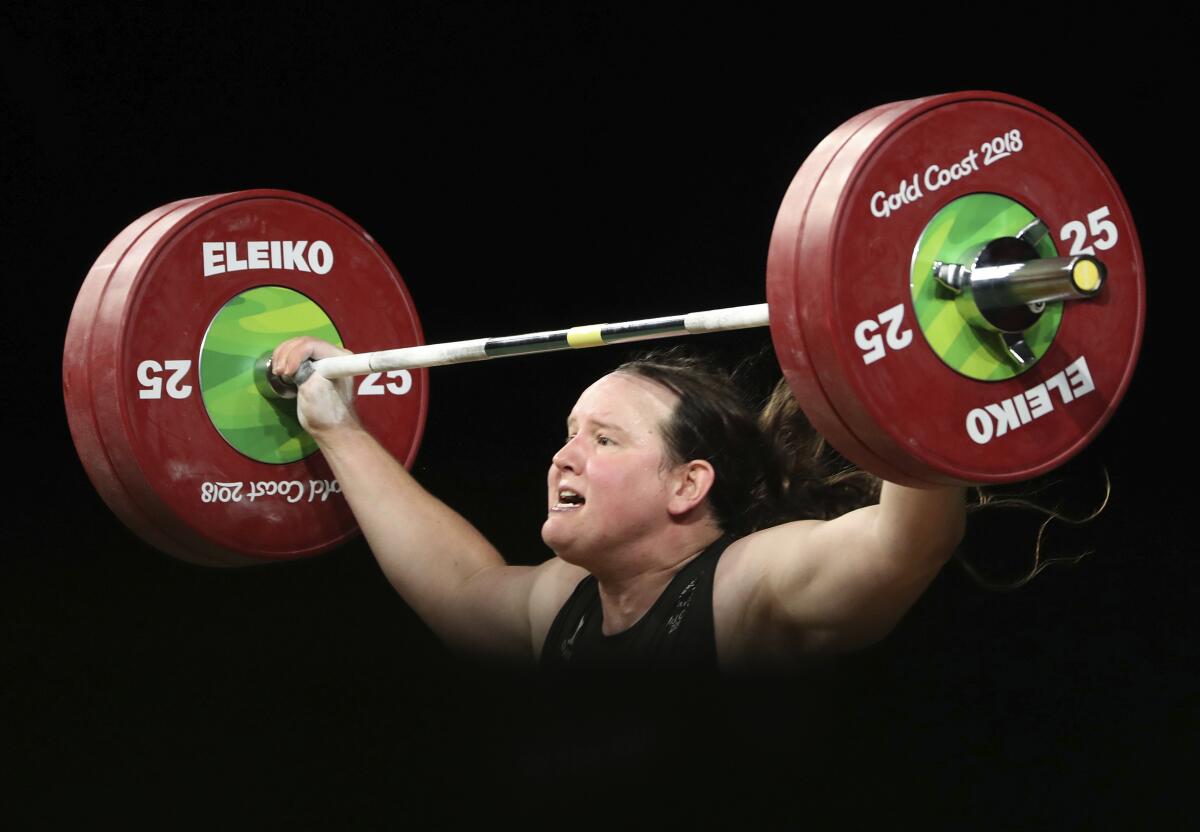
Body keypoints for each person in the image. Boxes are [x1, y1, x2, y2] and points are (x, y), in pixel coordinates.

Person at [270, 338, 965, 671]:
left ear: (687, 486)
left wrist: (933, 365)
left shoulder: (745, 587)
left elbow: (903, 543)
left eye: (604, 440)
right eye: (569, 434)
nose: (564, 457)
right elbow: (459, 588)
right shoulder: (565, 604)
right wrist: (336, 427)